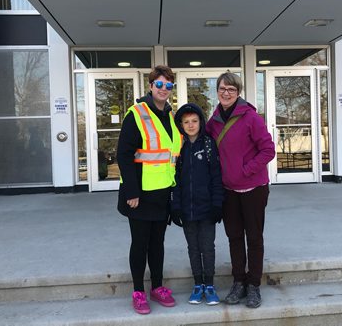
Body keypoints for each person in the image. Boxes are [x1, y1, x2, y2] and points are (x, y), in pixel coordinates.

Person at [206, 72, 275, 309]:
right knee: (234, 237)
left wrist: (246, 170)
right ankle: (239, 282)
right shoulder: (213, 121)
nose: (226, 93)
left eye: (231, 90)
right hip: (228, 190)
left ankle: (253, 285)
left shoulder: (250, 117)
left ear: (238, 93)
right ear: (217, 91)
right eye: (223, 89)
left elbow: (268, 150)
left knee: (254, 238)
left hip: (254, 188)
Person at [116, 65, 182, 315]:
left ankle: (157, 286)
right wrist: (132, 192)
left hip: (162, 192)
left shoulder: (170, 116)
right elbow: (123, 154)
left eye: (168, 86)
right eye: (159, 84)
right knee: (140, 243)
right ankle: (137, 291)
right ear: (151, 86)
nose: (163, 89)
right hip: (140, 195)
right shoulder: (137, 113)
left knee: (158, 244)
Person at [170, 103, 224, 306]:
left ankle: (209, 285)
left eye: (194, 121)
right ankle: (198, 284)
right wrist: (175, 207)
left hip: (207, 208)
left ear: (201, 122)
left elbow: (216, 178)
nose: (191, 125)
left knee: (207, 247)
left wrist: (217, 204)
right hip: (187, 209)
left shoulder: (209, 145)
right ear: (181, 125)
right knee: (193, 247)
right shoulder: (179, 148)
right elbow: (174, 180)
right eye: (186, 122)